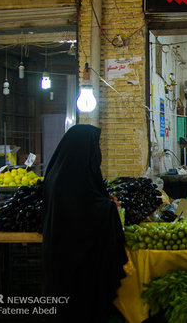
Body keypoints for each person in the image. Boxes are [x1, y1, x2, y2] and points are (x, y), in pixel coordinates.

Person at [42, 124, 127, 322]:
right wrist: (108, 207)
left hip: (60, 252)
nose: (97, 150)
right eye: (96, 144)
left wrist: (104, 198)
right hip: (76, 258)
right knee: (79, 306)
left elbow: (87, 198)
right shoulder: (72, 177)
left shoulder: (61, 170)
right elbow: (87, 211)